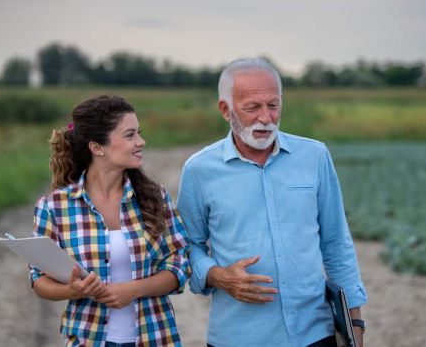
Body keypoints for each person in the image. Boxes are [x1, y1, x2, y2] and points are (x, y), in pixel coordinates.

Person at [177, 58, 367, 347]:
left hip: (316, 333)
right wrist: (218, 276)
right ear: (225, 110)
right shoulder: (198, 170)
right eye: (253, 107)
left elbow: (336, 240)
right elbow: (187, 246)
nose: (266, 118)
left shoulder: (314, 156)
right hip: (237, 337)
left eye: (273, 105)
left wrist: (355, 321)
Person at [29, 95, 190, 347]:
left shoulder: (155, 197)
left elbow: (180, 267)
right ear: (97, 147)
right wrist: (72, 291)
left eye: (139, 133)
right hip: (87, 339)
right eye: (130, 135)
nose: (141, 141)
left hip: (155, 337)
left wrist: (133, 290)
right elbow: (39, 280)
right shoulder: (53, 207)